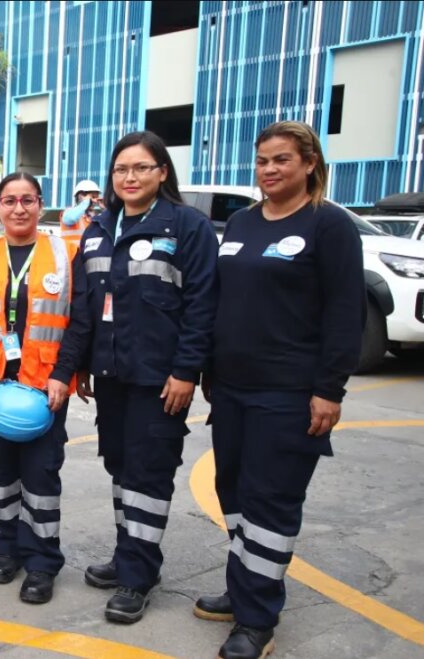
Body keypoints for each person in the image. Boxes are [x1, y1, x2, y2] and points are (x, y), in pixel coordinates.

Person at [195, 121, 364, 659]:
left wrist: (328, 389)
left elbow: (345, 315)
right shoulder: (243, 221)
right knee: (234, 492)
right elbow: (221, 299)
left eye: (282, 159)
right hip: (233, 388)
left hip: (289, 392)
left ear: (309, 163)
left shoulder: (329, 225)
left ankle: (257, 618)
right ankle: (245, 585)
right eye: (263, 160)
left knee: (271, 501)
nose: (270, 169)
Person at [53, 130, 218, 623]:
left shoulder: (188, 227)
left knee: (148, 474)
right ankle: (132, 556)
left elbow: (202, 307)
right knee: (121, 468)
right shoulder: (99, 228)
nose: (130, 176)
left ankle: (138, 577)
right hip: (113, 376)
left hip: (159, 379)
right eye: (122, 169)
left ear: (162, 172)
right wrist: (80, 365)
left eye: (141, 167)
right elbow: (86, 307)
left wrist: (187, 371)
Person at [0, 172, 78, 604]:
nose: (18, 208)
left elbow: (81, 322)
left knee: (40, 477)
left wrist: (64, 373)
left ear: (40, 204)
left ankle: (42, 562)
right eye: (9, 201)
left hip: (46, 389)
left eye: (27, 200)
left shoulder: (65, 254)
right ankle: (6, 550)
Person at [61, 179, 103, 249]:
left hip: (87, 257)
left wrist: (106, 208)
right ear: (81, 196)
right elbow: (70, 219)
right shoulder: (69, 212)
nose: (95, 201)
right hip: (72, 255)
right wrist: (85, 202)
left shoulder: (94, 216)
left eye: (97, 197)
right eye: (93, 197)